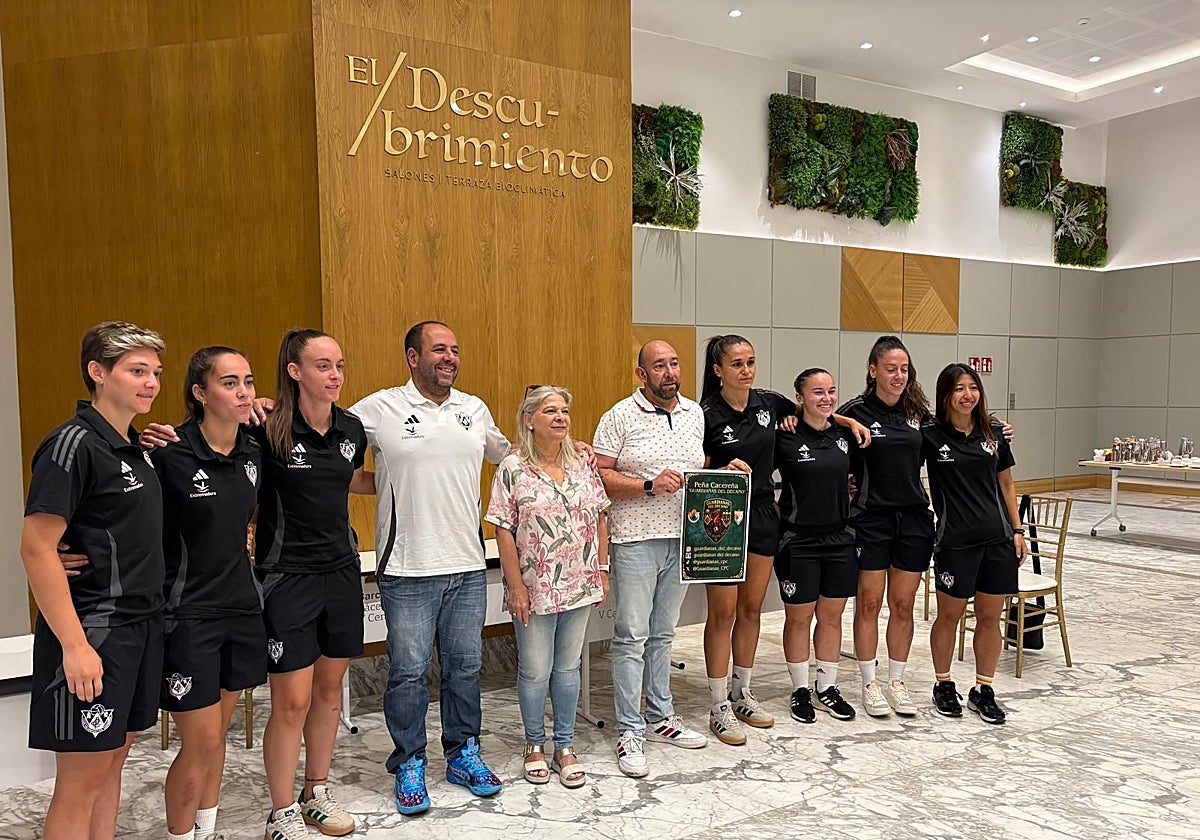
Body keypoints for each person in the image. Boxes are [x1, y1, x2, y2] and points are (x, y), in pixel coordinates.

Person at [150, 330, 373, 839]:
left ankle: (315, 790)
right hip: (283, 577)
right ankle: (282, 810)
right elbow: (231, 489)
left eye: (340, 365)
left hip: (339, 572)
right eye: (323, 366)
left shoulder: (351, 429)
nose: (335, 375)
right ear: (295, 371)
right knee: (291, 701)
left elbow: (353, 480)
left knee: (330, 691)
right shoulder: (266, 432)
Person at [347, 322, 508, 815]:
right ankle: (410, 760)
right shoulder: (379, 409)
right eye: (439, 349)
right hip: (407, 566)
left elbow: (512, 459)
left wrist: (566, 450)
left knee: (465, 667)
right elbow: (328, 451)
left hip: (466, 563)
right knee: (409, 672)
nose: (450, 357)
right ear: (412, 357)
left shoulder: (473, 409)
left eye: (455, 350)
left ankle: (463, 754)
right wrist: (388, 481)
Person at [22, 322, 166, 840]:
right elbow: (37, 548)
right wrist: (76, 646)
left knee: (111, 770)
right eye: (136, 371)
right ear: (98, 372)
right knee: (80, 785)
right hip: (94, 631)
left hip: (139, 628)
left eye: (155, 372)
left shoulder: (134, 447)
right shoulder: (72, 445)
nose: (150, 382)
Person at [697, 335, 870, 745]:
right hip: (719, 514)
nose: (746, 370)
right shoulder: (703, 413)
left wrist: (848, 421)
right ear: (718, 370)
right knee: (722, 614)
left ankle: (743, 692)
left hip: (762, 514)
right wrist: (720, 465)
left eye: (751, 362)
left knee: (752, 609)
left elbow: (815, 411)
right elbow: (693, 460)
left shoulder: (768, 404)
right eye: (736, 363)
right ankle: (718, 703)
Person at [839, 336, 1014, 718]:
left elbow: (961, 422)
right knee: (869, 603)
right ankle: (869, 682)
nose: (899, 375)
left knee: (902, 605)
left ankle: (897, 682)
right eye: (890, 368)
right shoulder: (855, 411)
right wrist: (840, 420)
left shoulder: (920, 415)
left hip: (915, 519)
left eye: (904, 369)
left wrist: (996, 427)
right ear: (873, 370)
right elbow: (819, 423)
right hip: (871, 518)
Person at [152, 347, 264, 840]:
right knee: (200, 741)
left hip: (240, 608)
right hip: (187, 615)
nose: (243, 392)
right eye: (229, 383)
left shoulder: (253, 452)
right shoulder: (168, 454)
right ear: (200, 393)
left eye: (248, 382)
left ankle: (207, 829)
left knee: (217, 740)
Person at [593, 340, 709, 778]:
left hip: (682, 538)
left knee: (663, 634)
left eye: (674, 363)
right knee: (631, 636)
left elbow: (694, 470)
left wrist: (722, 474)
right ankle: (629, 730)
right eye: (658, 366)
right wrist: (646, 486)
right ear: (641, 373)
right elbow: (599, 475)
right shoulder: (619, 415)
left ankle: (662, 717)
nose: (669, 372)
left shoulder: (694, 413)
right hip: (636, 539)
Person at [485, 386, 610, 789]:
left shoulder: (583, 463)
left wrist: (602, 568)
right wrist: (515, 585)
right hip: (534, 587)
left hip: (579, 582)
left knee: (569, 668)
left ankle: (565, 745)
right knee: (536, 670)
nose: (560, 417)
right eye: (550, 411)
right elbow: (503, 528)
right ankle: (534, 744)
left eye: (565, 411)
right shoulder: (512, 468)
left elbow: (601, 517)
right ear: (529, 420)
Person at [923, 363, 1025, 725]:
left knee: (989, 618)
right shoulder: (930, 434)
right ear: (946, 395)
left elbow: (1007, 485)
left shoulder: (993, 433)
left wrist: (1017, 530)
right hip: (954, 542)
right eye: (959, 389)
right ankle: (944, 683)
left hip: (997, 541)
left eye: (973, 387)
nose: (967, 395)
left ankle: (984, 688)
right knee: (949, 616)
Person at [774, 368, 861, 725]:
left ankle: (826, 687)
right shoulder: (785, 437)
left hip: (839, 539)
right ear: (800, 397)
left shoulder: (845, 435)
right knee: (799, 618)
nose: (825, 398)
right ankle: (799, 689)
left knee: (831, 616)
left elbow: (854, 479)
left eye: (830, 391)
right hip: (799, 540)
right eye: (817, 392)